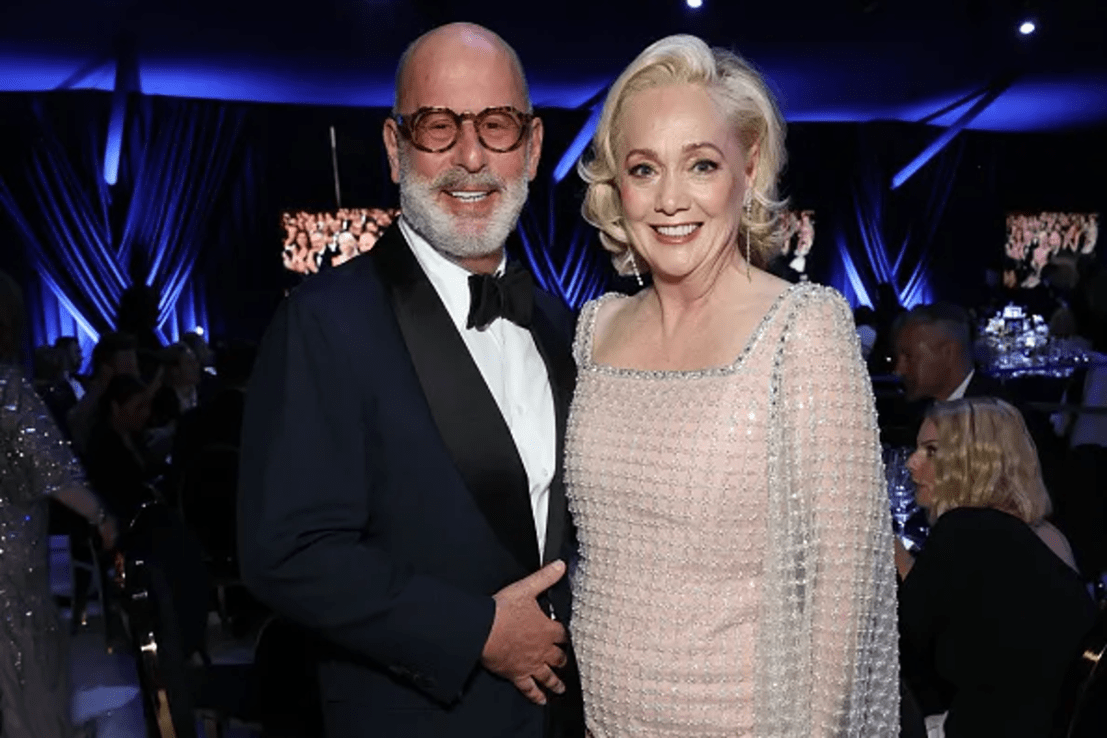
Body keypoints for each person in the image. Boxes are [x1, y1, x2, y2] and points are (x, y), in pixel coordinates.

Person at [239, 22, 583, 738]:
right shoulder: (323, 323)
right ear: (396, 147)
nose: (469, 157)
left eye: (496, 125)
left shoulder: (561, 322)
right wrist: (475, 631)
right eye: (437, 126)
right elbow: (287, 554)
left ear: (533, 145)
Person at [567, 35, 899, 736]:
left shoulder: (802, 330)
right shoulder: (592, 330)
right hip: (600, 720)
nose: (669, 199)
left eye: (701, 164)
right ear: (615, 186)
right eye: (643, 168)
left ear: (747, 169)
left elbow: (845, 594)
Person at [896, 397, 1095, 738]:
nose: (912, 464)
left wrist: (877, 540)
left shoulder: (966, 529)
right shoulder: (1047, 537)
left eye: (931, 451)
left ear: (975, 462)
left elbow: (900, 640)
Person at [0, 270, 117, 737]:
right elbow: (54, 471)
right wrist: (102, 516)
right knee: (23, 673)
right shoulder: (8, 390)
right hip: (10, 561)